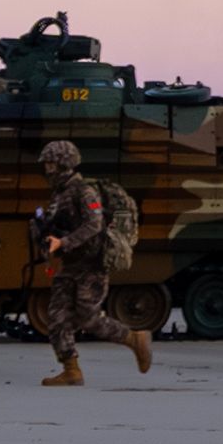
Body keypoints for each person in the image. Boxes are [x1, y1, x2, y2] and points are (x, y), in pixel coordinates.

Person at [35, 138, 148, 385]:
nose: (47, 169)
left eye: (51, 164)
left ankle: (134, 339)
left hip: (91, 265)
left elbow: (94, 224)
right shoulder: (60, 194)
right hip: (71, 264)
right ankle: (71, 370)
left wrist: (64, 242)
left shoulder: (84, 191)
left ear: (64, 163)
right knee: (56, 317)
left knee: (88, 318)